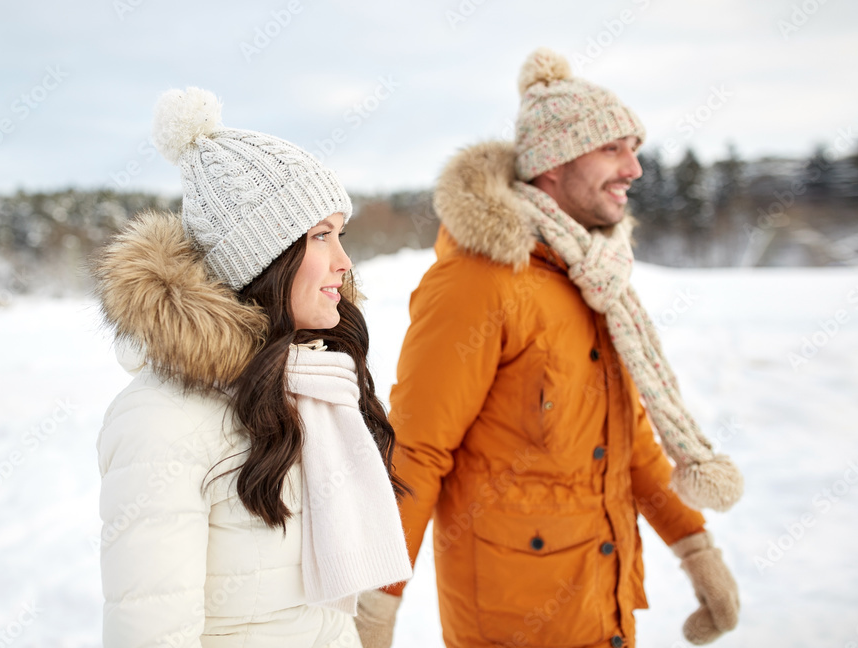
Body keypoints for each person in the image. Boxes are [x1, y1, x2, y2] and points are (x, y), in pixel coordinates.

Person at [354, 48, 744, 648]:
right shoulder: (478, 282)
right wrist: (374, 608)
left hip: (604, 610)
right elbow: (415, 451)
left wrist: (697, 551)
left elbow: (628, 440)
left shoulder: (591, 276)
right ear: (554, 163)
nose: (635, 169)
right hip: (511, 622)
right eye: (612, 147)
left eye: (634, 148)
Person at [93, 87, 411, 648]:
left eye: (342, 235)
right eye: (320, 236)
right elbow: (152, 632)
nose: (344, 261)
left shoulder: (314, 385)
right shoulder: (161, 421)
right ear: (263, 259)